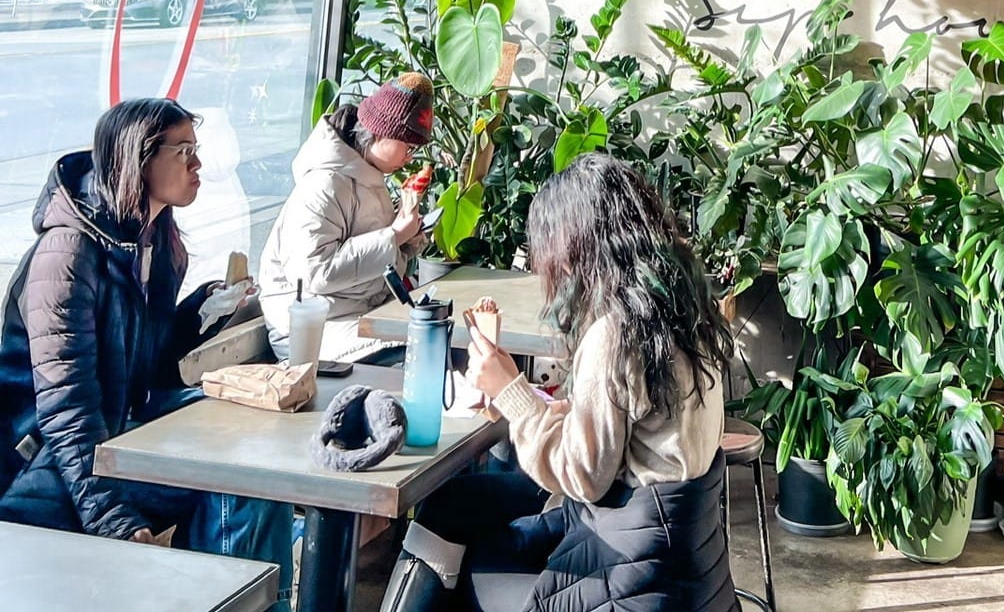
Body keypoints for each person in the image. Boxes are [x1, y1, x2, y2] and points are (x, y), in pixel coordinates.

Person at [380, 152, 737, 612]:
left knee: (474, 565)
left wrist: (510, 391)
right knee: (454, 504)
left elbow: (583, 476)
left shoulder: (615, 334)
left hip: (629, 566)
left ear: (576, 244)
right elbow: (629, 425)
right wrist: (530, 400)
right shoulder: (678, 309)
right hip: (673, 551)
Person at [0, 98, 293, 607]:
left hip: (112, 439)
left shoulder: (151, 237)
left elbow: (145, 366)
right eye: (185, 151)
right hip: (47, 469)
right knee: (230, 482)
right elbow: (66, 414)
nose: (198, 164)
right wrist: (111, 517)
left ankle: (268, 600)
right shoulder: (66, 256)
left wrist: (202, 312)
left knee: (251, 462)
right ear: (140, 160)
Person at [258, 73, 432, 360]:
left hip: (357, 311)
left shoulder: (370, 178)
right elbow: (313, 273)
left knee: (439, 329)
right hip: (310, 331)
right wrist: (394, 235)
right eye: (409, 147)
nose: (410, 158)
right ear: (380, 132)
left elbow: (371, 263)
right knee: (424, 348)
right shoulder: (323, 184)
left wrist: (406, 243)